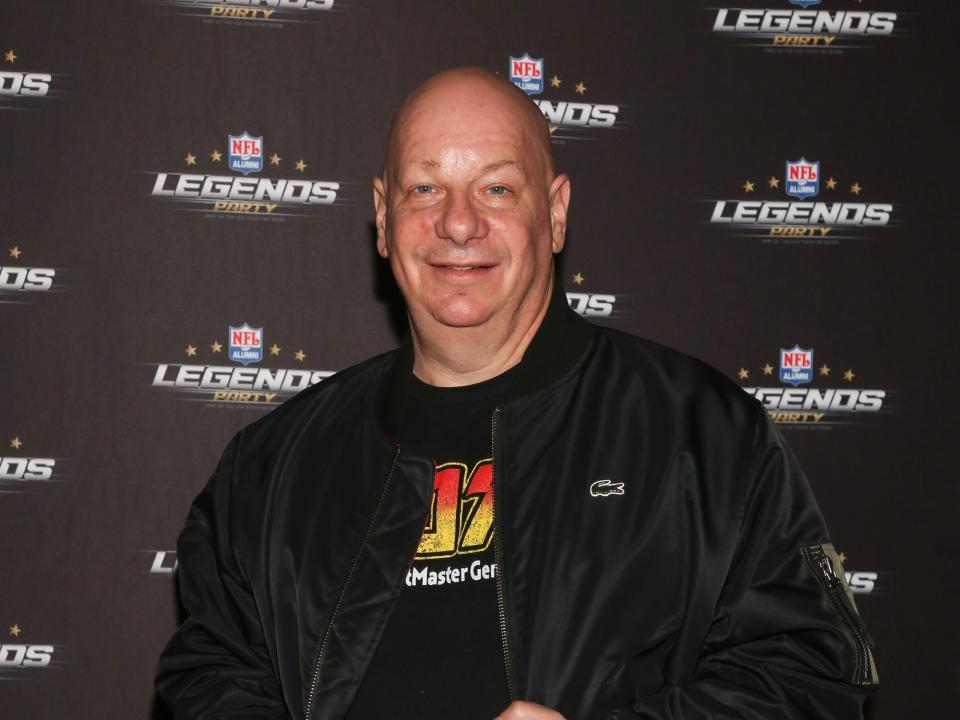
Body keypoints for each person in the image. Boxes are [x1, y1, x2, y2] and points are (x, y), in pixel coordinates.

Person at [156, 68, 878, 719]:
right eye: (424, 188)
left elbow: (812, 677)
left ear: (556, 212)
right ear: (383, 216)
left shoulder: (705, 436)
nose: (459, 222)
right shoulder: (275, 464)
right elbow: (208, 675)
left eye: (498, 187)